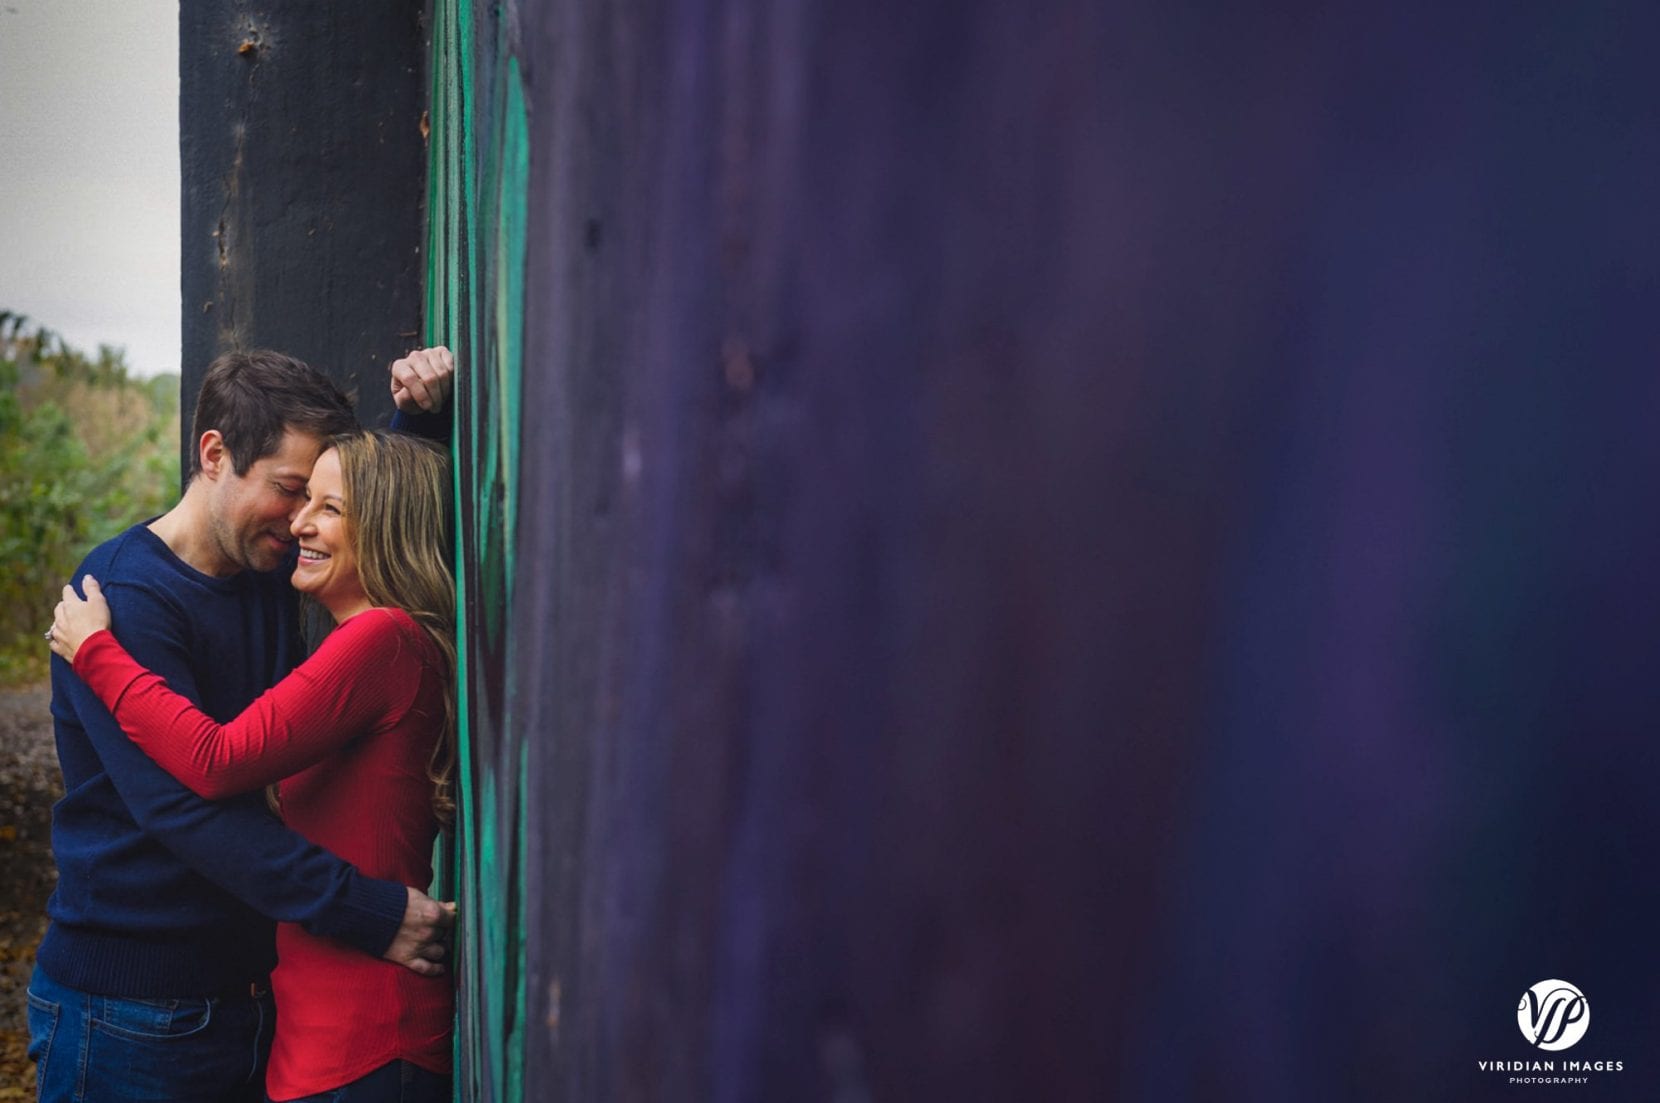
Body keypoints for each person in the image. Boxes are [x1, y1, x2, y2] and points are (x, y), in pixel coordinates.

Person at [29, 348, 457, 1103]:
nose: (298, 522)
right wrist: (365, 909)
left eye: (313, 501)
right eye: (289, 490)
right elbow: (187, 806)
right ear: (215, 454)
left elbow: (365, 536)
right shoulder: (120, 599)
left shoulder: (264, 568)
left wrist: (414, 419)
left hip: (254, 1001)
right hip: (131, 1013)